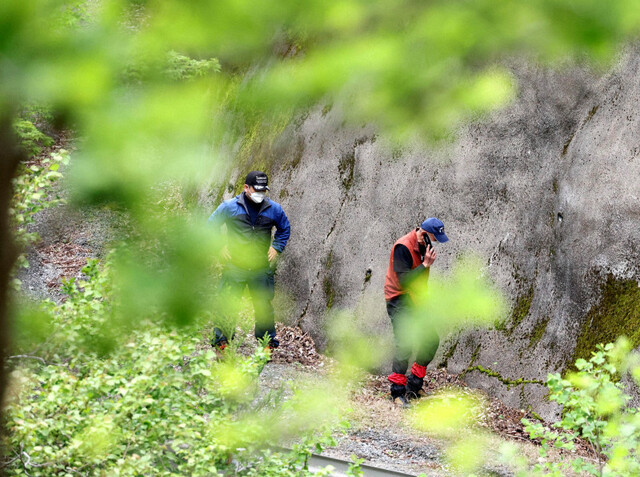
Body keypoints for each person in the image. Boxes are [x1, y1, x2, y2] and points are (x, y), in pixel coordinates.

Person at [208, 171, 290, 350]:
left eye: (263, 190)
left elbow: (285, 228)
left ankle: (266, 344)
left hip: (260, 268)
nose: (260, 194)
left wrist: (276, 247)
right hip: (235, 266)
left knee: (263, 306)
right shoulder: (229, 207)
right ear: (246, 188)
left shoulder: (274, 209)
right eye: (257, 190)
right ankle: (222, 342)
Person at [384, 217, 449, 406]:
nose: (435, 241)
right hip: (399, 298)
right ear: (424, 234)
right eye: (434, 237)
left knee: (430, 340)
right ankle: (397, 393)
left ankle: (414, 384)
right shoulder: (402, 247)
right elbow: (404, 281)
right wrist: (425, 265)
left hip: (416, 299)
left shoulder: (423, 248)